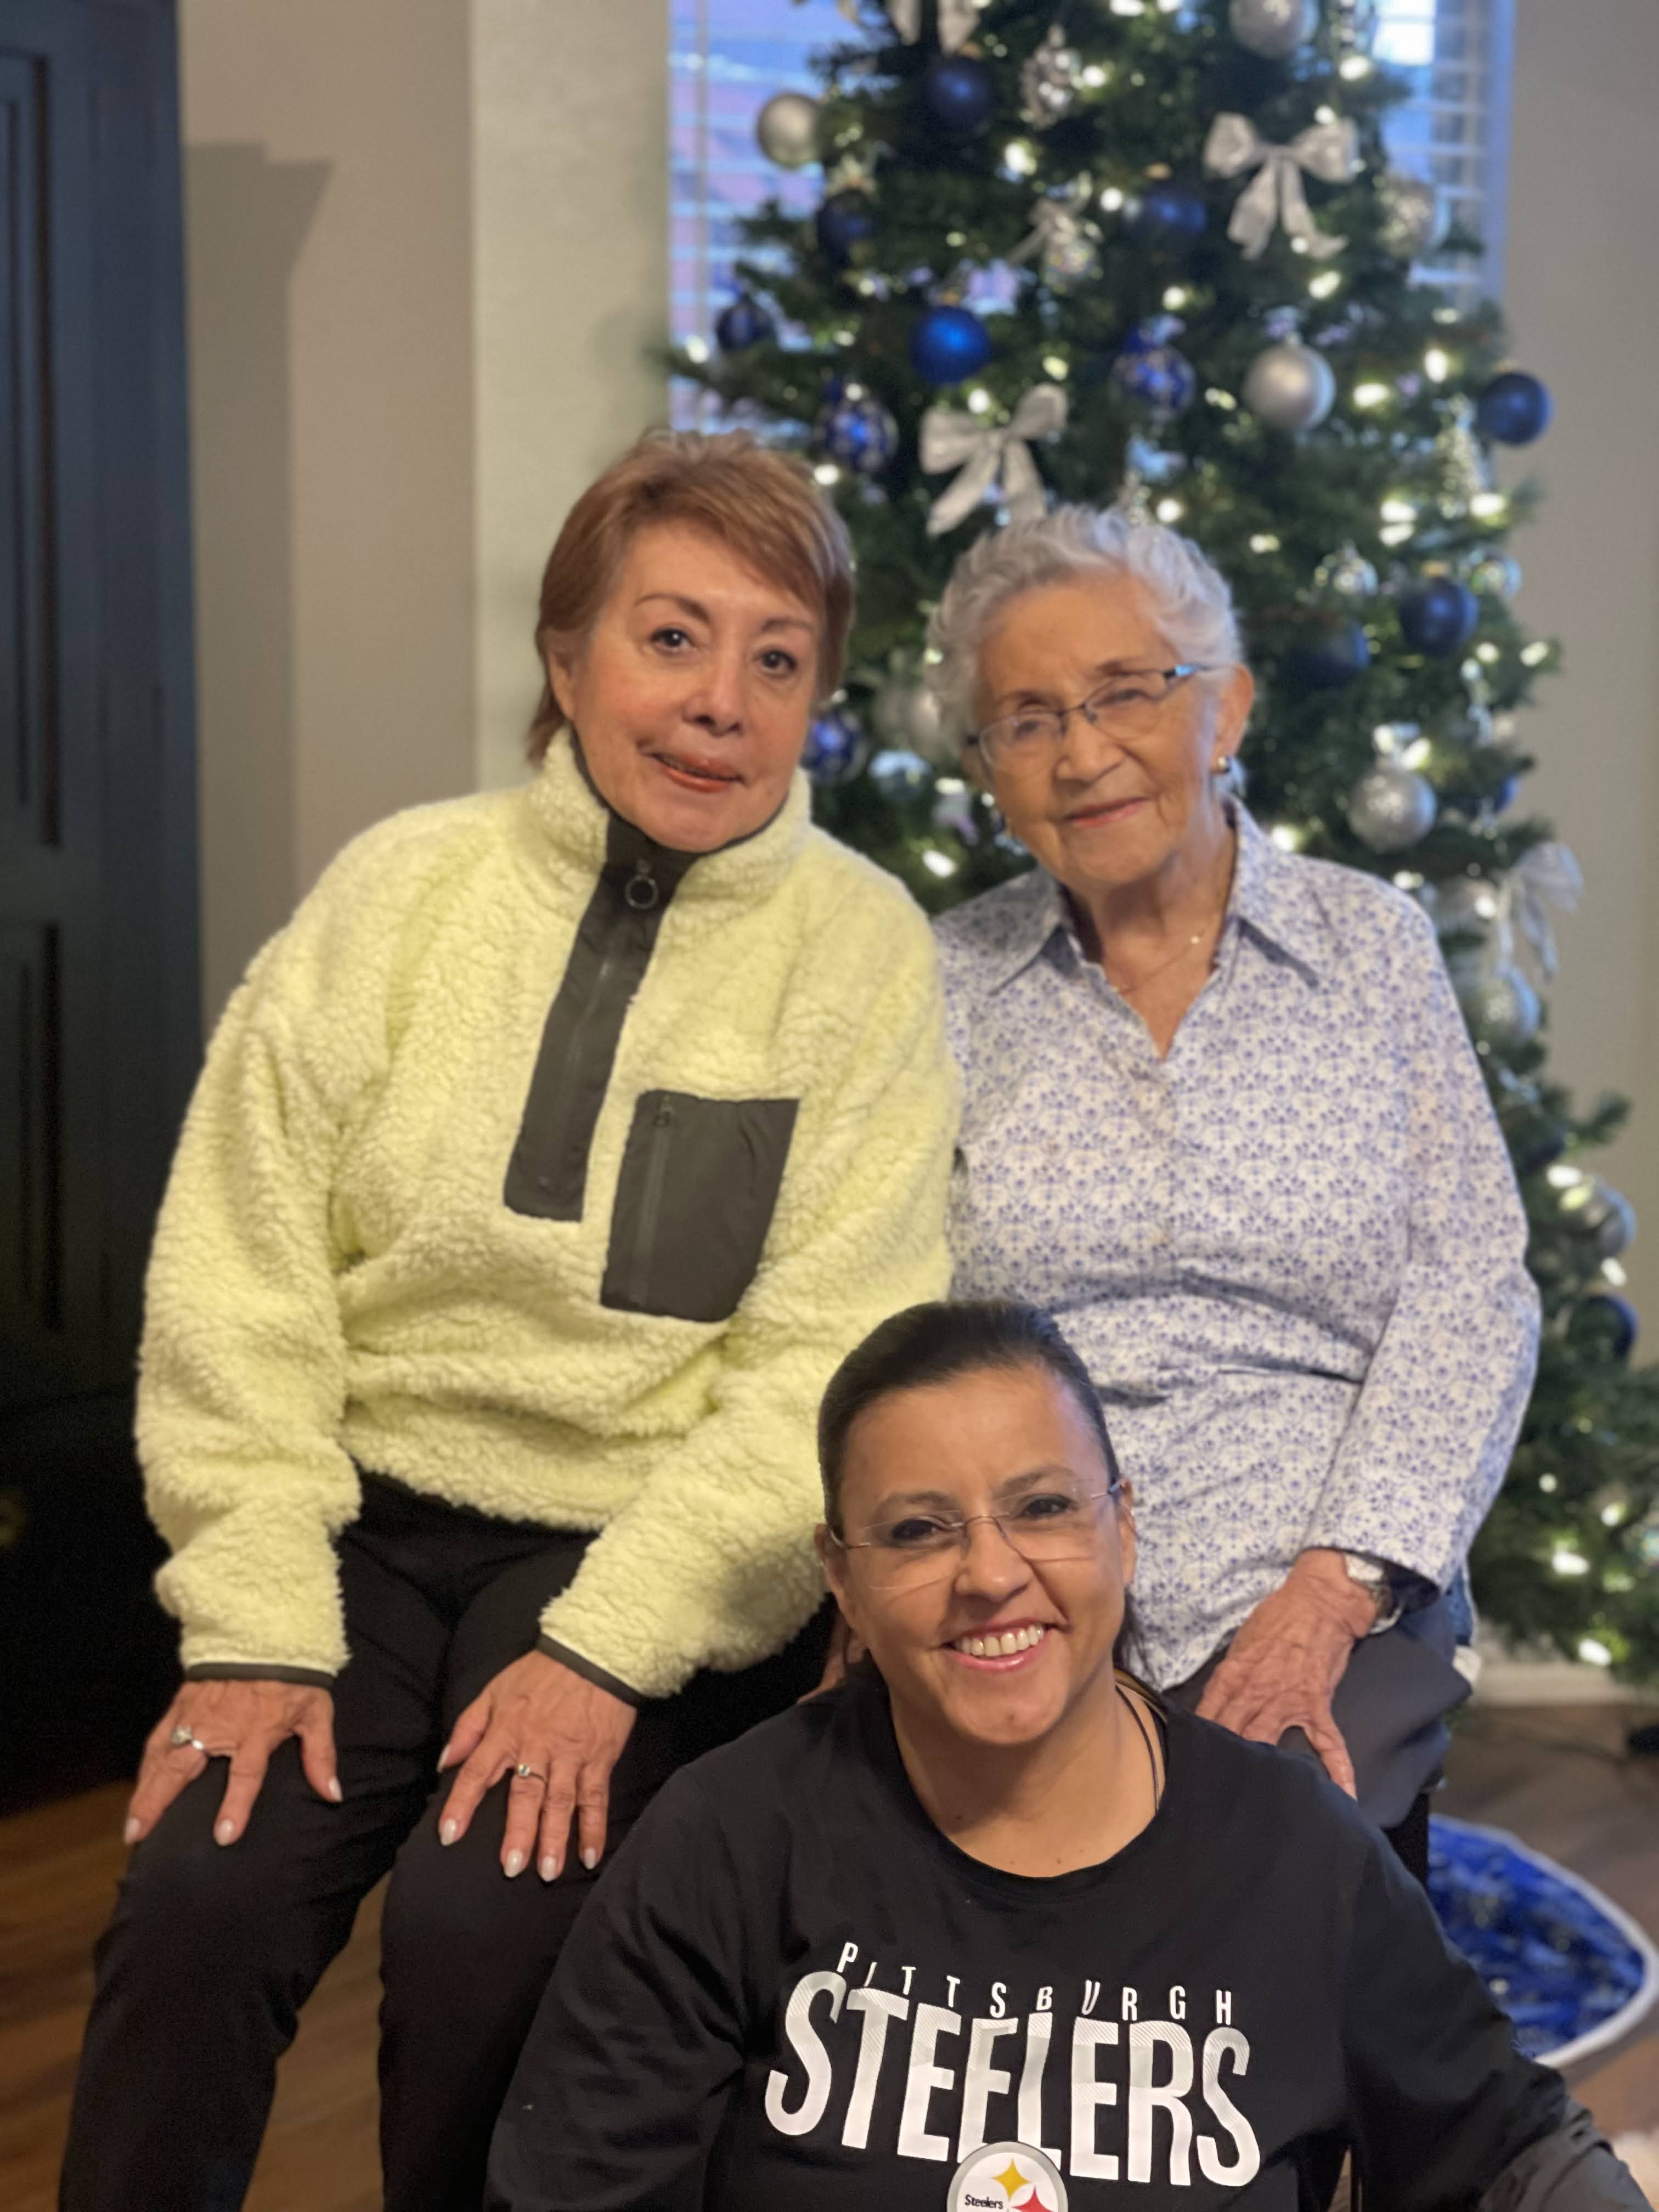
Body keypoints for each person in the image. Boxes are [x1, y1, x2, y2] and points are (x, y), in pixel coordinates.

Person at [60, 430, 957, 2212]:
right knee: (202, 1878)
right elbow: (239, 1273)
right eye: (671, 638)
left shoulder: (860, 955)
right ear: (566, 662)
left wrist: (609, 1645)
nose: (719, 701)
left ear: (821, 702)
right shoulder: (401, 894)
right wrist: (251, 1614)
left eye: (776, 658)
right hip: (357, 1523)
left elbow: (821, 1369)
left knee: (499, 1910)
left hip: (644, 1547)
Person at [487, 1300, 1646, 2212]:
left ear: (1123, 1527)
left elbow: (1512, 2152)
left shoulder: (1294, 1857)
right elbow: (577, 2189)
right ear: (839, 1576)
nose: (991, 1573)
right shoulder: (731, 1835)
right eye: (917, 1530)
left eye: (1042, 1507)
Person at [924, 506, 1540, 1874]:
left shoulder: (1368, 946)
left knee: (1254, 1878)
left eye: (1125, 695)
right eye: (1027, 721)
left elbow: (1472, 1285)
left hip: (1322, 1557)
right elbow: (882, 1299)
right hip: (1022, 1569)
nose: (1083, 756)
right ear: (990, 769)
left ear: (1228, 708)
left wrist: (1333, 1589)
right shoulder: (944, 981)